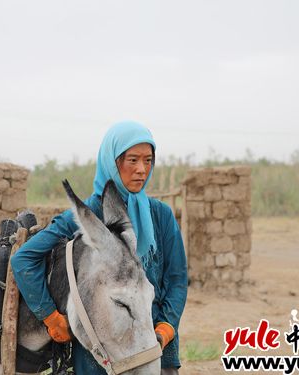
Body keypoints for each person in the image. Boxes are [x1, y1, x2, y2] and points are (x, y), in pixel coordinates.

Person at [11, 121, 188, 374]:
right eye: (133, 160)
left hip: (155, 348)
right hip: (100, 356)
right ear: (112, 161)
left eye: (148, 161)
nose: (142, 170)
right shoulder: (86, 216)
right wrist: (50, 316)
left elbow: (177, 279)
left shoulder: (161, 216)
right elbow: (24, 259)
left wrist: (166, 328)